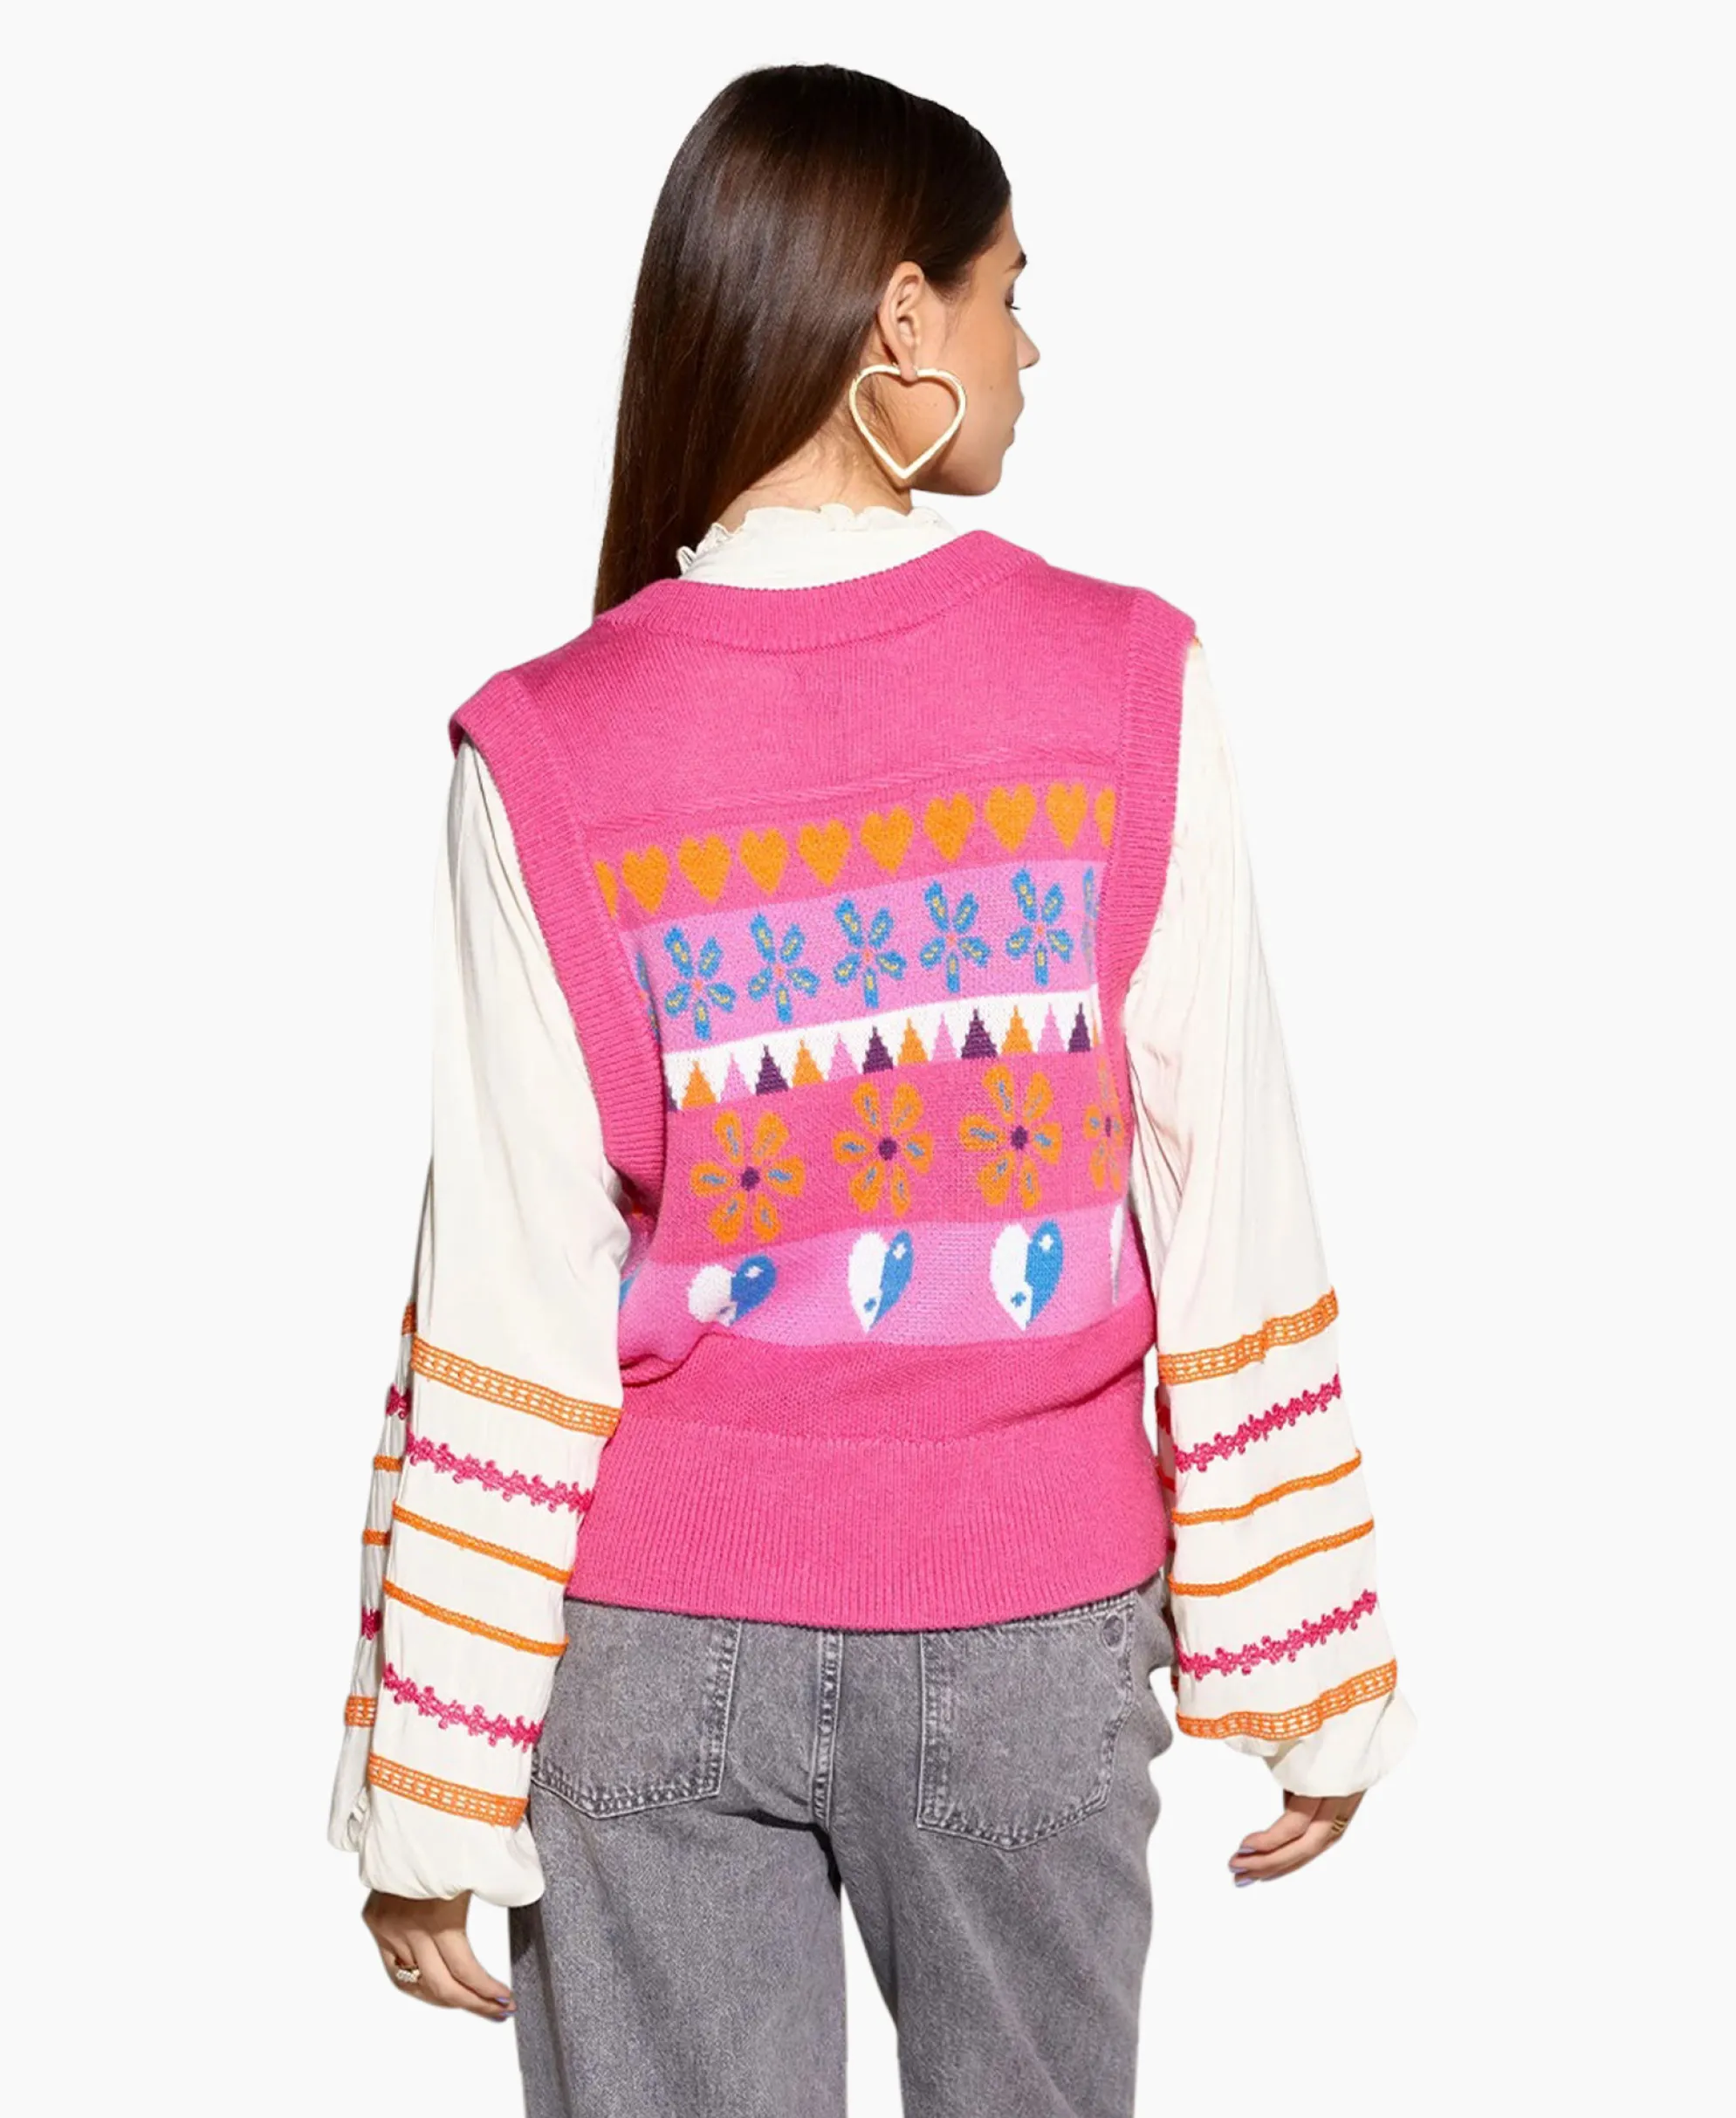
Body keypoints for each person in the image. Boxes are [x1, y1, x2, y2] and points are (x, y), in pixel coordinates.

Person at [327, 60, 1416, 2118]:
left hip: (647, 1636)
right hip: (1026, 1626)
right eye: (1010, 291)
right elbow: (1227, 1187)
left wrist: (430, 1772)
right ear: (900, 317)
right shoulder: (1127, 678)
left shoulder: (547, 740)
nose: (1030, 347)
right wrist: (1305, 1652)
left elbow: (507, 1284)